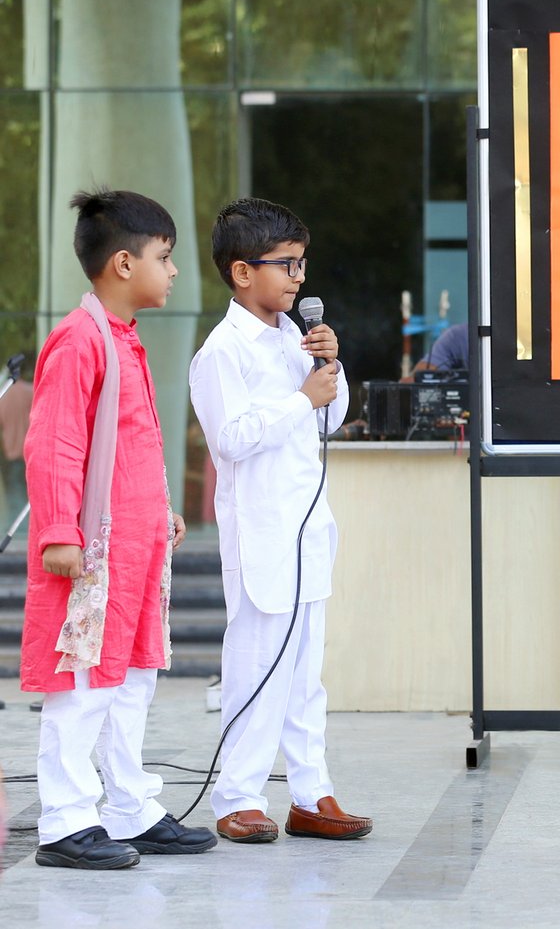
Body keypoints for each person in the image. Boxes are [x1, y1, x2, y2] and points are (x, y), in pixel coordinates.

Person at [20, 188, 212, 869]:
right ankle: (66, 822)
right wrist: (59, 535)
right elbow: (55, 444)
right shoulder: (80, 339)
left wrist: (158, 511)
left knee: (131, 678)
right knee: (83, 682)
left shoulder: (122, 338)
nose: (175, 271)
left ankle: (130, 804)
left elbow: (128, 444)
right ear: (124, 264)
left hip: (135, 549)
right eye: (166, 257)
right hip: (92, 552)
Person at [188, 197, 372, 844]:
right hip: (262, 529)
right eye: (286, 265)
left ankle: (309, 790)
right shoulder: (221, 353)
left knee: (303, 672)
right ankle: (237, 795)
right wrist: (300, 399)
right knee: (256, 663)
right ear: (243, 272)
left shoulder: (296, 340)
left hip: (307, 526)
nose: (299, 278)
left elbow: (329, 416)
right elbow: (232, 439)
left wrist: (329, 366)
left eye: (301, 265)